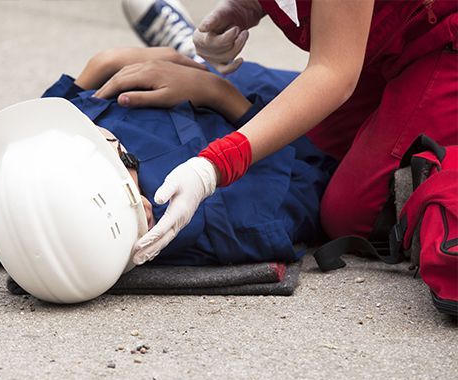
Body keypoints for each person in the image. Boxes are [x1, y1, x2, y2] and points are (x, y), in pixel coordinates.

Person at [120, 0, 458, 264]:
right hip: (379, 42)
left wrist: (213, 167)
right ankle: (203, 68)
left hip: (439, 42)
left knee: (353, 215)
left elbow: (333, 74)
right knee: (306, 151)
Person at [0, 47, 335, 268]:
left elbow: (31, 136)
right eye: (115, 154)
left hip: (145, 75)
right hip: (253, 102)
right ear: (140, 206)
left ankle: (182, 49)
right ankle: (192, 50)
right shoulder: (233, 220)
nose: (100, 134)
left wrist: (98, 68)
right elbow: (312, 164)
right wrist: (219, 93)